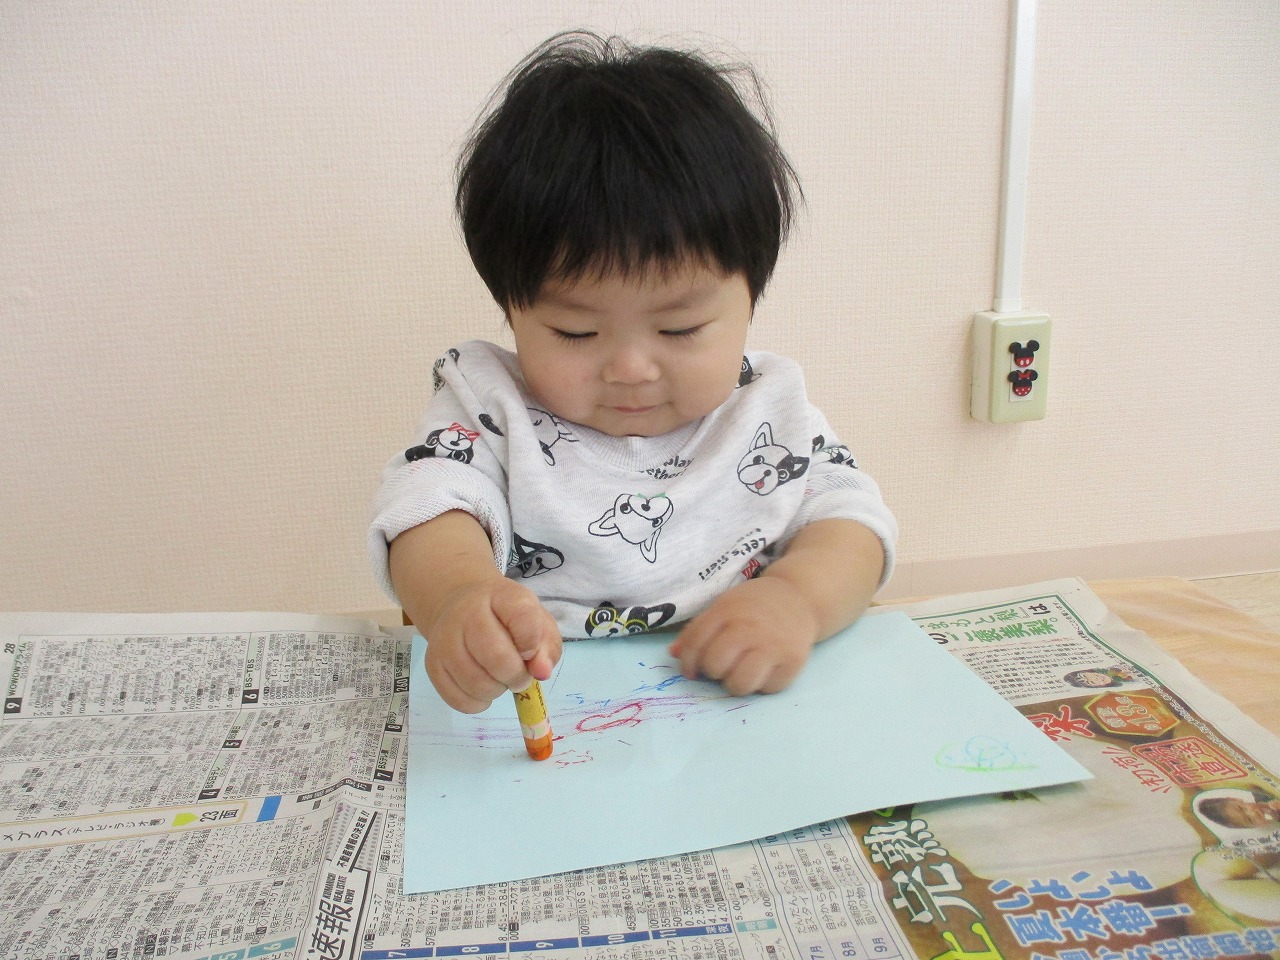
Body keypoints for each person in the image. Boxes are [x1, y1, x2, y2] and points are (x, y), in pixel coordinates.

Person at [369, 32, 897, 714]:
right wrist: (458, 597)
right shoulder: (490, 406)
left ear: (749, 301)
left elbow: (853, 525)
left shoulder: (766, 410)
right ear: (511, 310)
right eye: (575, 332)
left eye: (680, 329)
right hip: (550, 707)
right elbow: (427, 509)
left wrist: (796, 600)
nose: (630, 369)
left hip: (733, 704)